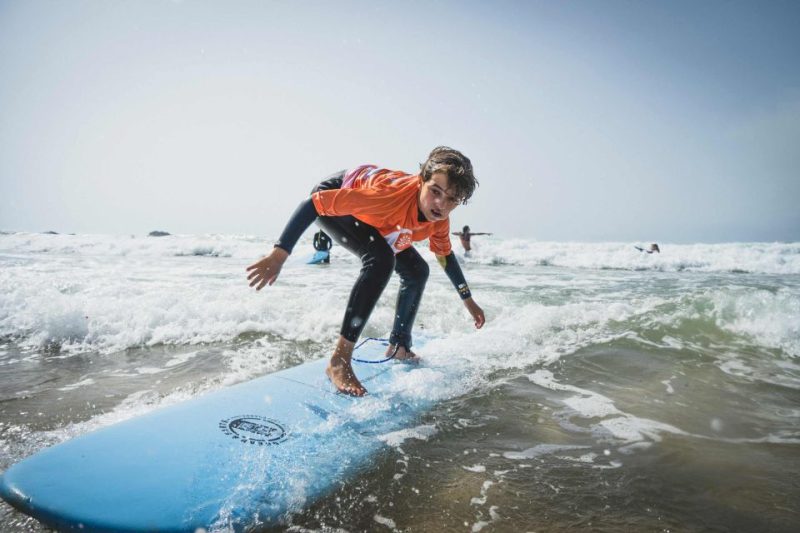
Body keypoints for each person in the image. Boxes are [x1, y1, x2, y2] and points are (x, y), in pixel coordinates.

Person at [246, 147, 486, 397]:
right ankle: (339, 361)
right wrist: (279, 254)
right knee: (380, 260)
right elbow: (313, 205)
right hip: (337, 195)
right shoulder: (387, 196)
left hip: (379, 217)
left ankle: (400, 345)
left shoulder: (438, 220)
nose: (440, 204)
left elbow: (445, 256)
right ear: (420, 181)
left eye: (451, 200)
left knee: (417, 271)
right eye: (435, 192)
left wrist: (468, 300)